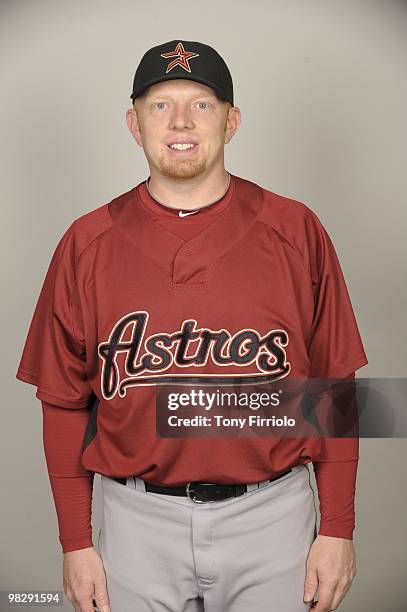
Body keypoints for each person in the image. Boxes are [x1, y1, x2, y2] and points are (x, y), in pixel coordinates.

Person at [16, 39, 368, 612]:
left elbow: (337, 390)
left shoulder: (296, 230)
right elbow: (62, 403)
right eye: (160, 105)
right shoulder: (86, 243)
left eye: (202, 104)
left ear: (232, 121)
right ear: (134, 124)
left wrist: (339, 528)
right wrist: (76, 543)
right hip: (135, 522)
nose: (180, 121)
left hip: (274, 517)